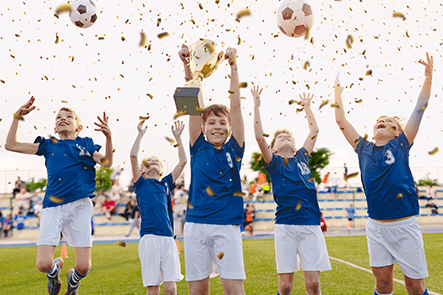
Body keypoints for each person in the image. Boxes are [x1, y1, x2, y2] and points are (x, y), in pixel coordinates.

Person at [334, 53, 433, 295]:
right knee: (383, 285)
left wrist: (428, 78)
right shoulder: (363, 148)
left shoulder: (400, 145)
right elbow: (340, 119)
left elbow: (419, 109)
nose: (382, 121)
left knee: (415, 286)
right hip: (376, 227)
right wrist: (337, 91)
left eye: (389, 121)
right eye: (379, 120)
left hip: (405, 224)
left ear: (398, 132)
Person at [5, 97, 113, 295]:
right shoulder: (48, 145)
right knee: (43, 264)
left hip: (80, 206)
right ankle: (54, 274)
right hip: (52, 207)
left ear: (78, 127)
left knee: (83, 268)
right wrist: (16, 117)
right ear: (55, 128)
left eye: (69, 117)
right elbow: (10, 145)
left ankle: (73, 280)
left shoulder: (86, 144)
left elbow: (106, 162)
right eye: (59, 117)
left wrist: (108, 137)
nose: (63, 119)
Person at [180, 43, 246, 295]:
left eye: (222, 122)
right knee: (197, 291)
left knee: (234, 290)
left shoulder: (235, 149)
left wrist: (233, 65)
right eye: (211, 122)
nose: (217, 126)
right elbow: (192, 101)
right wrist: (188, 67)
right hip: (195, 225)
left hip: (226, 226)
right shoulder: (197, 146)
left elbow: (237, 108)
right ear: (204, 127)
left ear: (230, 127)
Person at [252, 85, 331, 295]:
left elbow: (314, 131)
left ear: (295, 148)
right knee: (286, 287)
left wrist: (307, 107)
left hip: (310, 224)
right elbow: (260, 137)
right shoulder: (274, 162)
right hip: (285, 225)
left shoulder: (302, 158)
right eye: (280, 138)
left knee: (313, 285)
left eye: (289, 137)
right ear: (274, 149)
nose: (285, 137)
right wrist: (256, 105)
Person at [130, 120, 187, 295]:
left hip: (168, 239)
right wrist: (140, 134)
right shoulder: (141, 183)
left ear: (161, 171)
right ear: (142, 170)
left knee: (170, 288)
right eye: (150, 161)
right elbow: (133, 156)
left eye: (157, 161)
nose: (153, 161)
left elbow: (183, 161)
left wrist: (178, 138)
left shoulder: (166, 184)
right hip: (149, 239)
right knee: (153, 288)